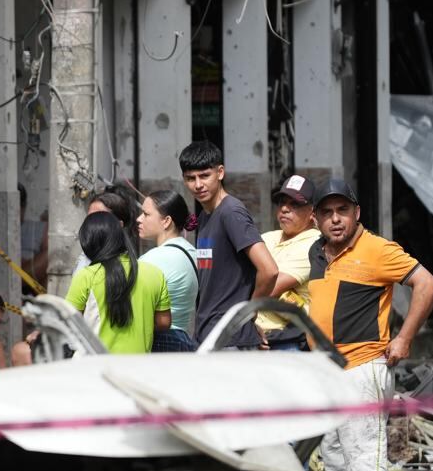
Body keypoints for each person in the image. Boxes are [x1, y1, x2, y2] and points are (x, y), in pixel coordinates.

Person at [305, 178, 433, 471]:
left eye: (343, 211)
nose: (336, 219)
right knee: (334, 459)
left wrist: (404, 338)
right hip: (326, 372)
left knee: (365, 461)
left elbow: (427, 284)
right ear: (315, 219)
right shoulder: (316, 252)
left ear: (357, 213)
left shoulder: (378, 249)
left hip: (362, 370)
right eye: (327, 212)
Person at [178, 141, 278, 346]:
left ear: (220, 173)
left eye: (205, 175)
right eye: (190, 178)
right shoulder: (205, 216)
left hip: (230, 339)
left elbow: (269, 270)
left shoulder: (231, 212)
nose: (198, 185)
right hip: (209, 334)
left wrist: (247, 315)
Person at [64, 212, 171, 354]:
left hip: (92, 366)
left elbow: (69, 324)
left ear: (88, 243)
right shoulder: (155, 273)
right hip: (139, 366)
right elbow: (164, 322)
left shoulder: (86, 276)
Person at [257, 174, 321, 351]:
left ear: (312, 213)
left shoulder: (315, 244)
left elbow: (270, 288)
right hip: (257, 335)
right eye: (281, 203)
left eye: (295, 204)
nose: (284, 209)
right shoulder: (268, 238)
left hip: (287, 339)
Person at [137, 189, 199, 353]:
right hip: (182, 339)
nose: (139, 219)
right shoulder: (191, 251)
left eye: (146, 214)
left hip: (160, 341)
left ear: (166, 221)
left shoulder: (154, 259)